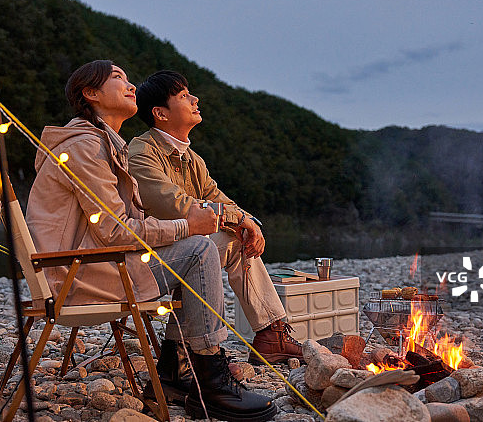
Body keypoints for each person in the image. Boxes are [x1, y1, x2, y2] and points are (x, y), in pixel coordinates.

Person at [25, 60, 276, 421]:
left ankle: (181, 368)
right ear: (91, 94)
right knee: (200, 249)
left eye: (128, 79)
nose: (130, 87)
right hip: (81, 277)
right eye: (118, 79)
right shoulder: (86, 148)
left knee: (204, 246)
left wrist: (227, 220)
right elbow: (115, 230)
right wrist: (187, 227)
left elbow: (131, 223)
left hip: (97, 264)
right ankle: (208, 375)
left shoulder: (104, 144)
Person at [128, 70, 304, 375]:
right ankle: (193, 353)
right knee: (213, 246)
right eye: (183, 96)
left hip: (182, 249)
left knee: (238, 240)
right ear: (160, 113)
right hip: (150, 257)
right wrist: (240, 220)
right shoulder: (142, 153)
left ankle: (272, 333)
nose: (195, 99)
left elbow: (218, 199)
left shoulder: (192, 160)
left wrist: (246, 221)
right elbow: (179, 207)